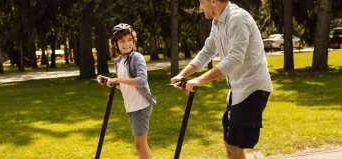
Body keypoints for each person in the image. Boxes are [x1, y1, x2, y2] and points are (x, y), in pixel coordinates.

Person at [170, 0, 273, 158]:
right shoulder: (217, 22)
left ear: (213, 1)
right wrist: (182, 75)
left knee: (234, 144)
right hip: (237, 89)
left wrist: (200, 80)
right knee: (229, 143)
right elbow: (208, 51)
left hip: (252, 88)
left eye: (201, 2)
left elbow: (235, 58)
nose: (200, 7)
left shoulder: (238, 19)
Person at [98, 23, 157, 159]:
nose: (127, 44)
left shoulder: (137, 58)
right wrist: (111, 83)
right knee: (142, 144)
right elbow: (126, 85)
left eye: (129, 40)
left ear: (134, 41)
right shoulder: (118, 62)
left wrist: (118, 79)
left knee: (139, 144)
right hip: (131, 106)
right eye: (122, 41)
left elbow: (141, 81)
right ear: (115, 44)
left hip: (141, 105)